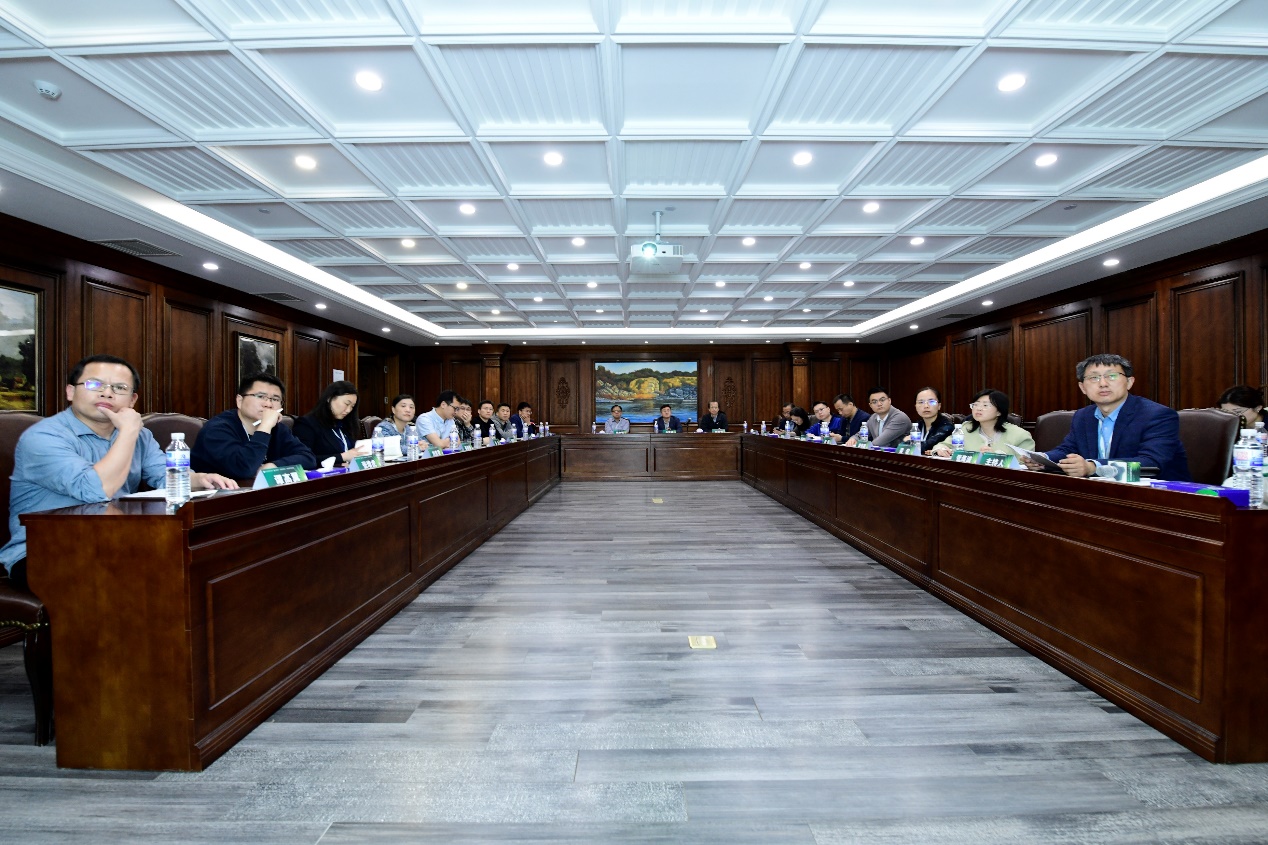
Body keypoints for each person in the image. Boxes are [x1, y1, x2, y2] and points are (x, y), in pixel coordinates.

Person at [1, 355, 238, 590]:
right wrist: (128, 432)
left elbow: (164, 475)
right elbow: (97, 489)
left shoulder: (140, 435)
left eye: (119, 388)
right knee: (157, 574)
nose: (106, 393)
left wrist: (200, 479)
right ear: (70, 392)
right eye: (94, 384)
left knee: (213, 556)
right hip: (45, 551)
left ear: (132, 400)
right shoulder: (44, 436)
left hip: (118, 539)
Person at [1023, 354, 1191, 481]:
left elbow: (1152, 464)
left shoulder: (1157, 415)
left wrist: (1093, 467)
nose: (1103, 383)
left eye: (1112, 376)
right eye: (1094, 378)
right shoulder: (1083, 416)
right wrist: (1043, 459)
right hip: (1103, 494)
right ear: (1082, 387)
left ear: (1130, 382)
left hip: (1160, 498)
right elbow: (1067, 450)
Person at [192, 372, 317, 479]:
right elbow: (244, 469)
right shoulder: (217, 429)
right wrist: (265, 426)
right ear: (240, 401)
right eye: (261, 396)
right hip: (216, 497)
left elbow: (308, 458)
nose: (268, 404)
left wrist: (272, 466)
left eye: (275, 399)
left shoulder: (278, 429)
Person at [931, 389, 1033, 456]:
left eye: (985, 405)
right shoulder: (965, 429)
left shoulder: (1020, 435)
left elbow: (1027, 465)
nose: (978, 408)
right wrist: (940, 450)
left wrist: (998, 457)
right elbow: (943, 445)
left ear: (999, 411)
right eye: (975, 405)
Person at [294, 381, 369, 467]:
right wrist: (342, 457)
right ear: (329, 398)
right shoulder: (307, 424)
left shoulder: (345, 424)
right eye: (346, 404)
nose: (348, 410)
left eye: (352, 406)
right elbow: (304, 459)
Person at [845, 387, 911, 448]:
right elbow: (861, 433)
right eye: (874, 402)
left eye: (882, 400)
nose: (879, 404)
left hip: (898, 455)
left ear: (889, 400)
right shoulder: (873, 417)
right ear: (870, 405)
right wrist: (853, 438)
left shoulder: (899, 417)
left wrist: (864, 445)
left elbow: (881, 441)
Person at [907, 387, 955, 454]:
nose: (926, 406)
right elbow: (902, 445)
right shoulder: (918, 425)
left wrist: (908, 444)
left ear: (939, 406)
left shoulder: (946, 426)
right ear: (915, 406)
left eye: (931, 402)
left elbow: (925, 447)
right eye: (921, 402)